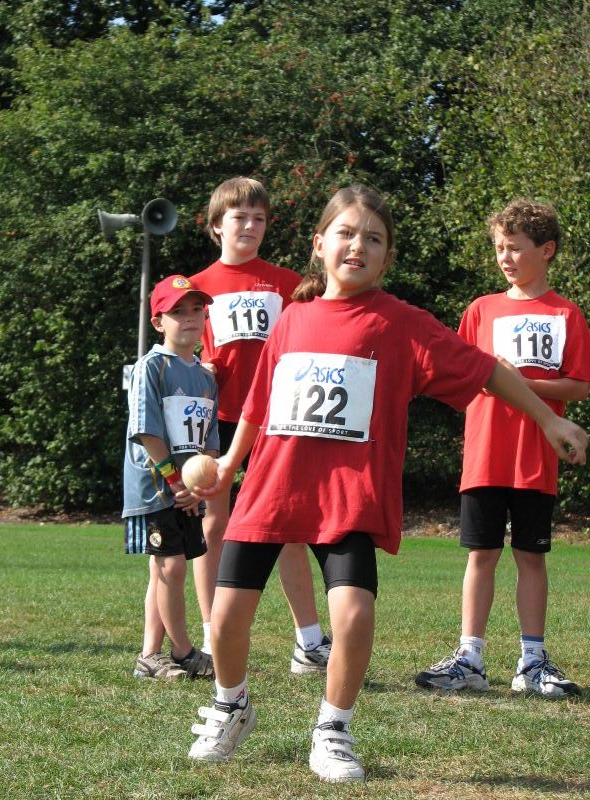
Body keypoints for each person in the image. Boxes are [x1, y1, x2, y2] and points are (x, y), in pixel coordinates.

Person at [186, 186, 588, 781]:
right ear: (320, 244)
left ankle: (333, 727)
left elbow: (487, 370)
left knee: (351, 614)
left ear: (387, 258)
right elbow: (257, 403)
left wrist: (548, 417)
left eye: (373, 239)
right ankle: (231, 703)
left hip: (349, 495)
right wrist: (227, 465)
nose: (358, 246)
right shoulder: (293, 317)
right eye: (346, 233)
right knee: (225, 616)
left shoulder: (402, 323)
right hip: (272, 486)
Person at [415, 199, 590, 697]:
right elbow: (461, 375)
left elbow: (578, 385)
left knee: (531, 557)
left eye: (515, 248)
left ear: (547, 250)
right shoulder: (480, 310)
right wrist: (494, 382)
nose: (505, 258)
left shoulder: (567, 314)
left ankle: (532, 661)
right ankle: (469, 657)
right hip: (485, 455)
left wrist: (517, 383)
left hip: (536, 459)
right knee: (481, 554)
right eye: (499, 249)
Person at [190, 177, 330, 672]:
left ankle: (309, 643)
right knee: (215, 526)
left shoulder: (288, 282)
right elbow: (181, 350)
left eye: (259, 218)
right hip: (219, 421)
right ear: (215, 226)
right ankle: (212, 638)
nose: (249, 226)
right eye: (239, 217)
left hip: (280, 420)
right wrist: (197, 364)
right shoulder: (195, 287)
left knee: (290, 528)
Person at [122, 275, 219, 680]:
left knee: (163, 569)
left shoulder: (205, 376)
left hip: (186, 491)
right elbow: (147, 432)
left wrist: (199, 486)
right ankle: (182, 652)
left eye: (196, 309)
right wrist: (176, 481)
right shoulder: (151, 367)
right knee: (171, 567)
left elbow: (210, 439)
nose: (190, 318)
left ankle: (150, 654)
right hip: (155, 486)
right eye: (178, 312)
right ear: (159, 321)